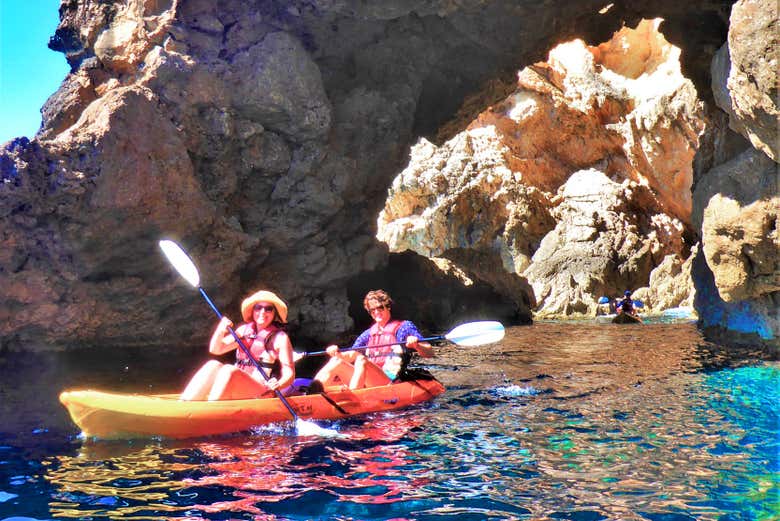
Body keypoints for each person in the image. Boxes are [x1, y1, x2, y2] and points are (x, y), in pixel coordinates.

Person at [180, 290, 296, 401]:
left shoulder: (280, 338)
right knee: (213, 364)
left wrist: (279, 384)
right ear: (253, 311)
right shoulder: (243, 331)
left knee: (229, 370)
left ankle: (212, 409)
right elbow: (216, 350)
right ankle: (186, 403)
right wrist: (220, 330)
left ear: (274, 313)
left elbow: (289, 373)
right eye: (258, 308)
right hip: (239, 387)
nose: (262, 312)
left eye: (268, 309)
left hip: (262, 391)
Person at [312, 289, 434, 390]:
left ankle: (353, 396)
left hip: (389, 381)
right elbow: (352, 354)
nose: (376, 312)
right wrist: (336, 353)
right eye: (372, 310)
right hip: (369, 379)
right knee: (336, 361)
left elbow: (429, 352)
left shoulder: (404, 327)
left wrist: (417, 345)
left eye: (380, 308)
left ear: (388, 307)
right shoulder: (368, 334)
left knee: (361, 360)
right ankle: (314, 391)